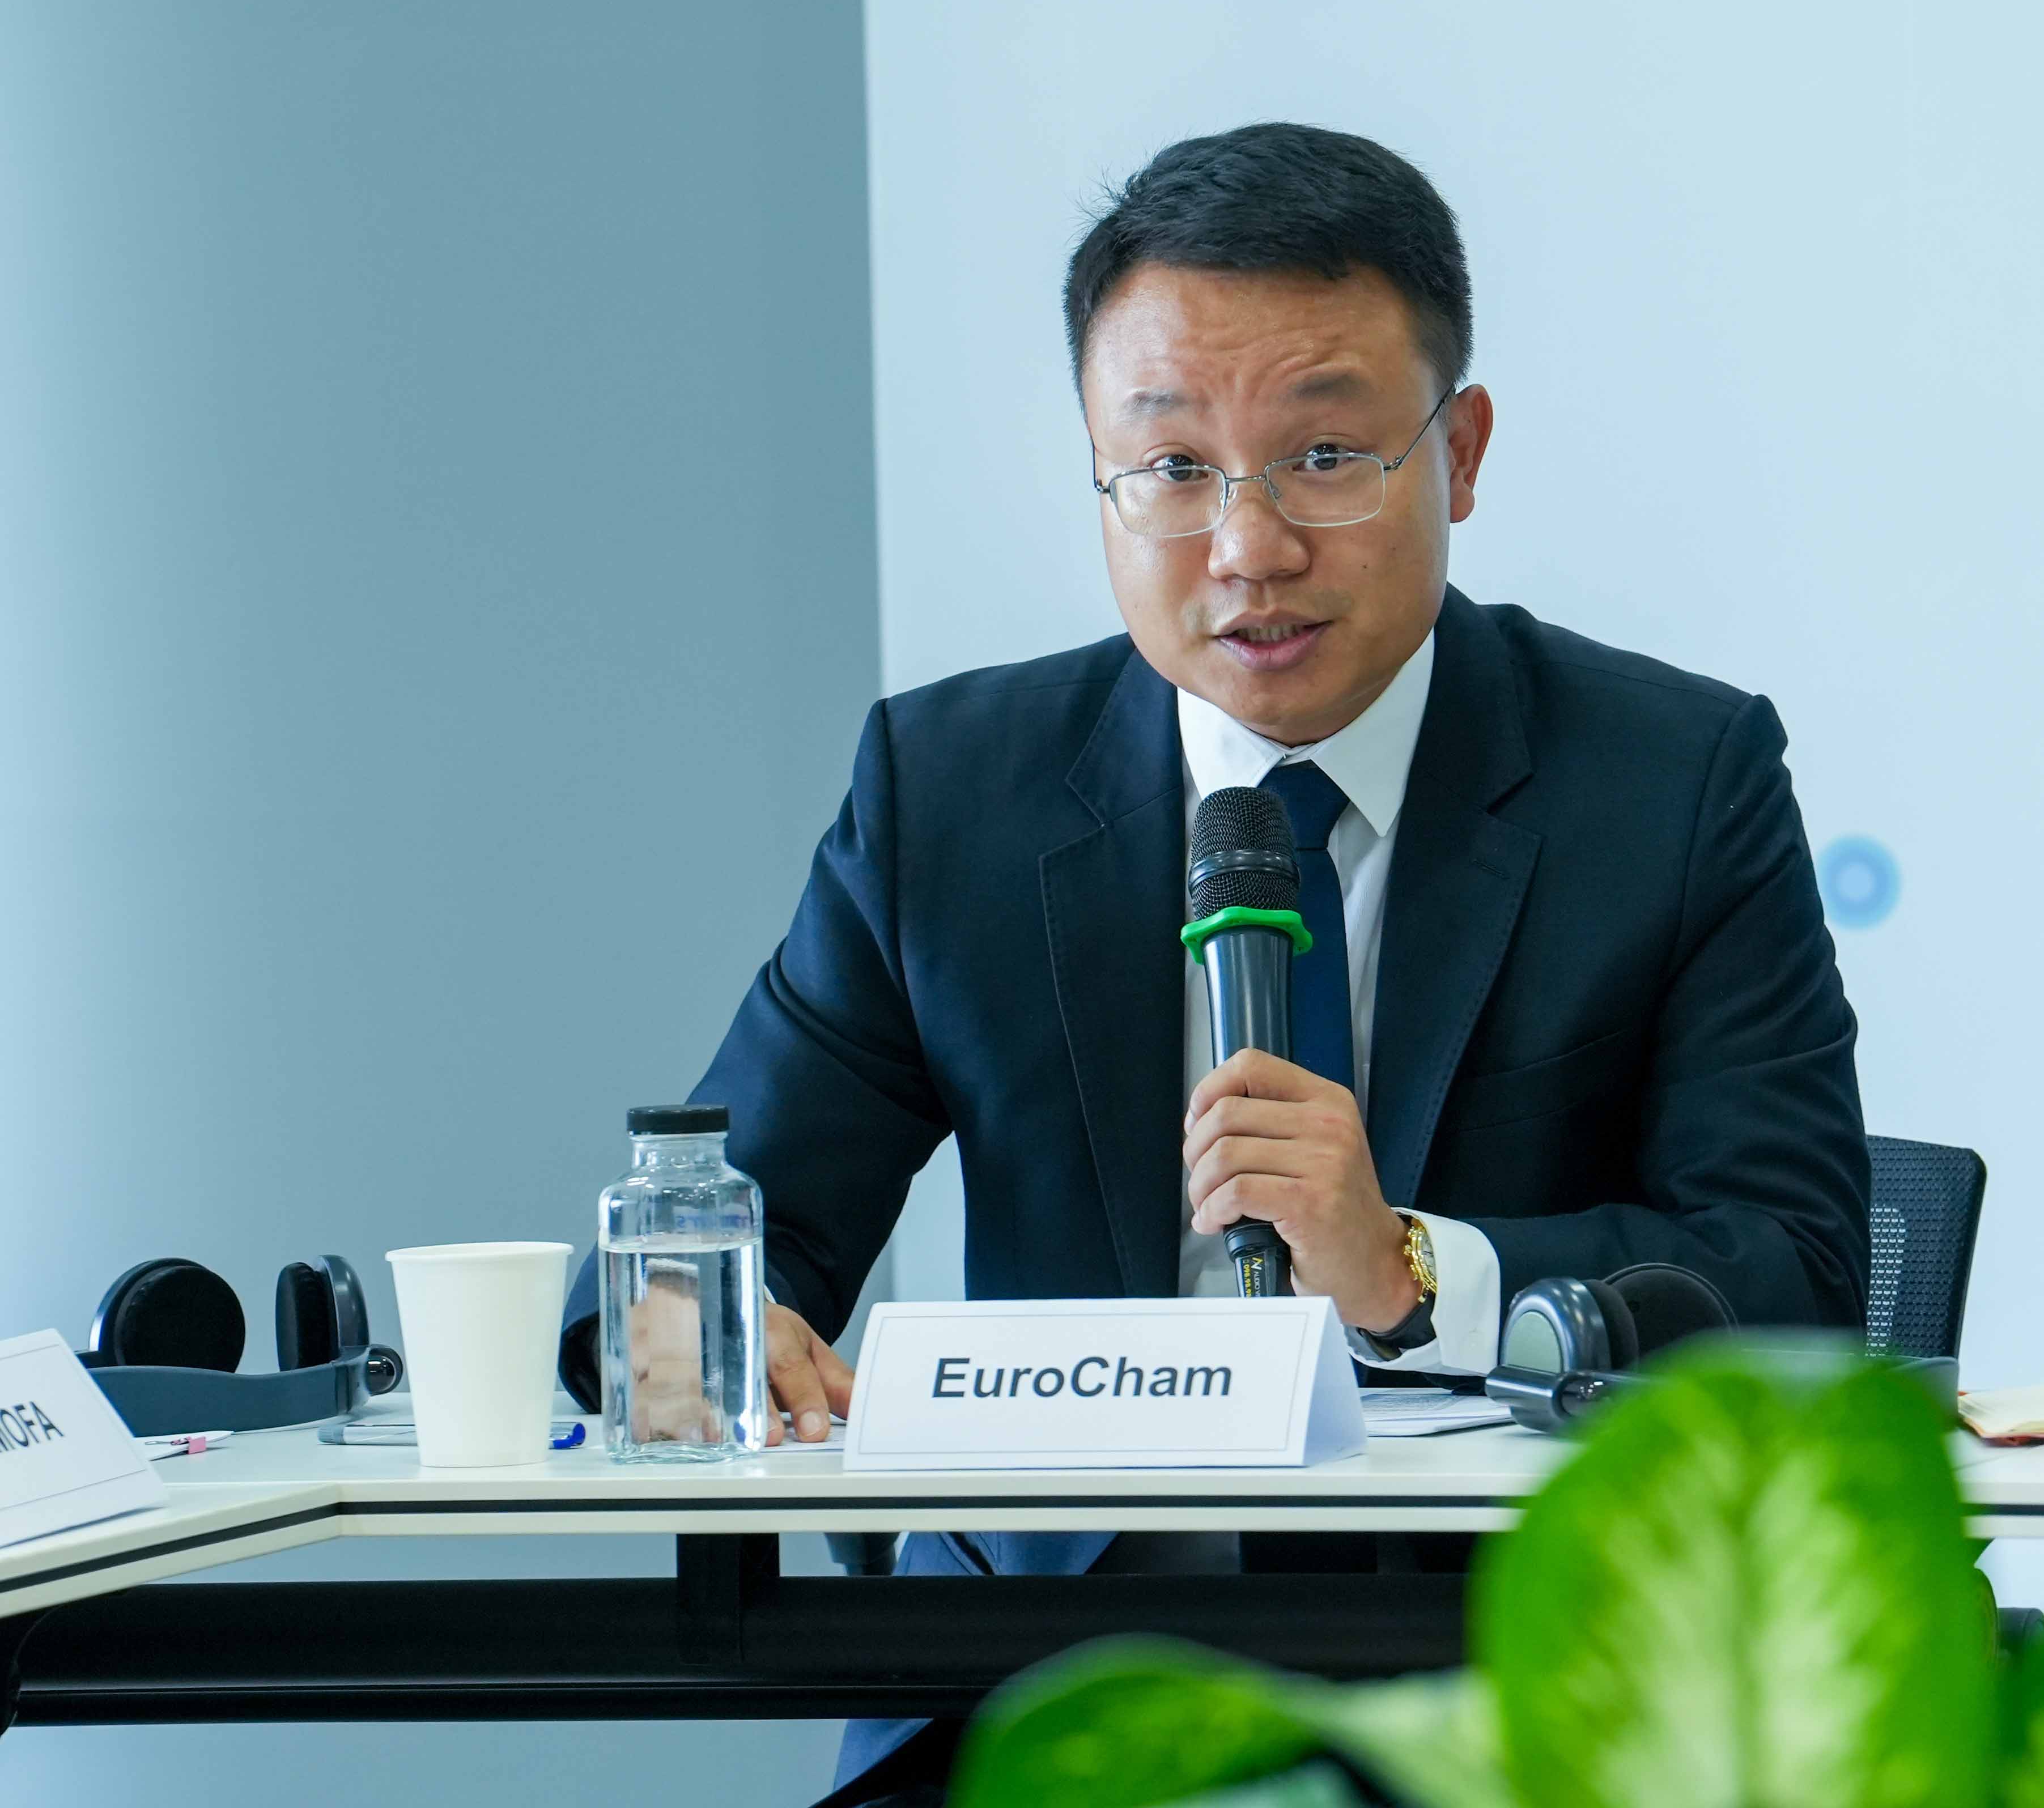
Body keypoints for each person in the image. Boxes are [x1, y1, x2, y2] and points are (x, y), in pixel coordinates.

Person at [560, 122, 1870, 1803]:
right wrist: (707, 1335)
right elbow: (700, 1247)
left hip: (1516, 1688)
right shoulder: (949, 793)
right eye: (1174, 468)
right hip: (1040, 1683)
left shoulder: (1669, 784)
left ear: (1460, 452)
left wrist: (1409, 1267)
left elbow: (1797, 1277)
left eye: (1324, 455)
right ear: (1101, 478)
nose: (1247, 548)